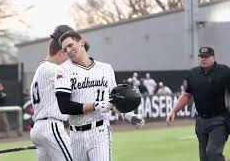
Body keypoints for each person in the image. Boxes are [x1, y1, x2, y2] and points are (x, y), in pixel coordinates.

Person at [53, 25, 144, 161]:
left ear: (81, 42)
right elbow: (64, 106)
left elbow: (115, 100)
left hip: (99, 130)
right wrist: (95, 105)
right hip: (76, 134)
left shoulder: (105, 69)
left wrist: (129, 116)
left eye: (71, 45)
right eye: (65, 49)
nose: (69, 51)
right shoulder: (63, 70)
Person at [166, 46, 230, 161]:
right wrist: (174, 111)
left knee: (213, 153)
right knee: (204, 157)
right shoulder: (193, 74)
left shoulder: (224, 71)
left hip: (219, 120)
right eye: (201, 57)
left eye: (206, 57)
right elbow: (186, 95)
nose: (203, 59)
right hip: (201, 122)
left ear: (213, 57)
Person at [29, 38, 72, 161]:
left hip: (39, 127)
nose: (67, 60)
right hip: (51, 126)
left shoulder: (41, 69)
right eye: (66, 55)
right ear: (60, 53)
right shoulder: (53, 69)